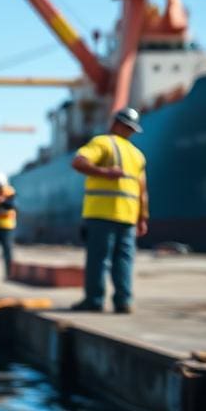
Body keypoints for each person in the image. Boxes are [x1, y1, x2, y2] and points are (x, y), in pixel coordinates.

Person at [69, 108, 148, 313]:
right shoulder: (137, 154)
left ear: (114, 123)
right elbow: (143, 191)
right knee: (123, 260)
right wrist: (142, 218)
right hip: (128, 216)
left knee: (98, 259)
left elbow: (78, 162)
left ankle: (94, 301)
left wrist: (103, 172)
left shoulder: (103, 142)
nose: (129, 132)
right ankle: (123, 301)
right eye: (129, 128)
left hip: (101, 214)